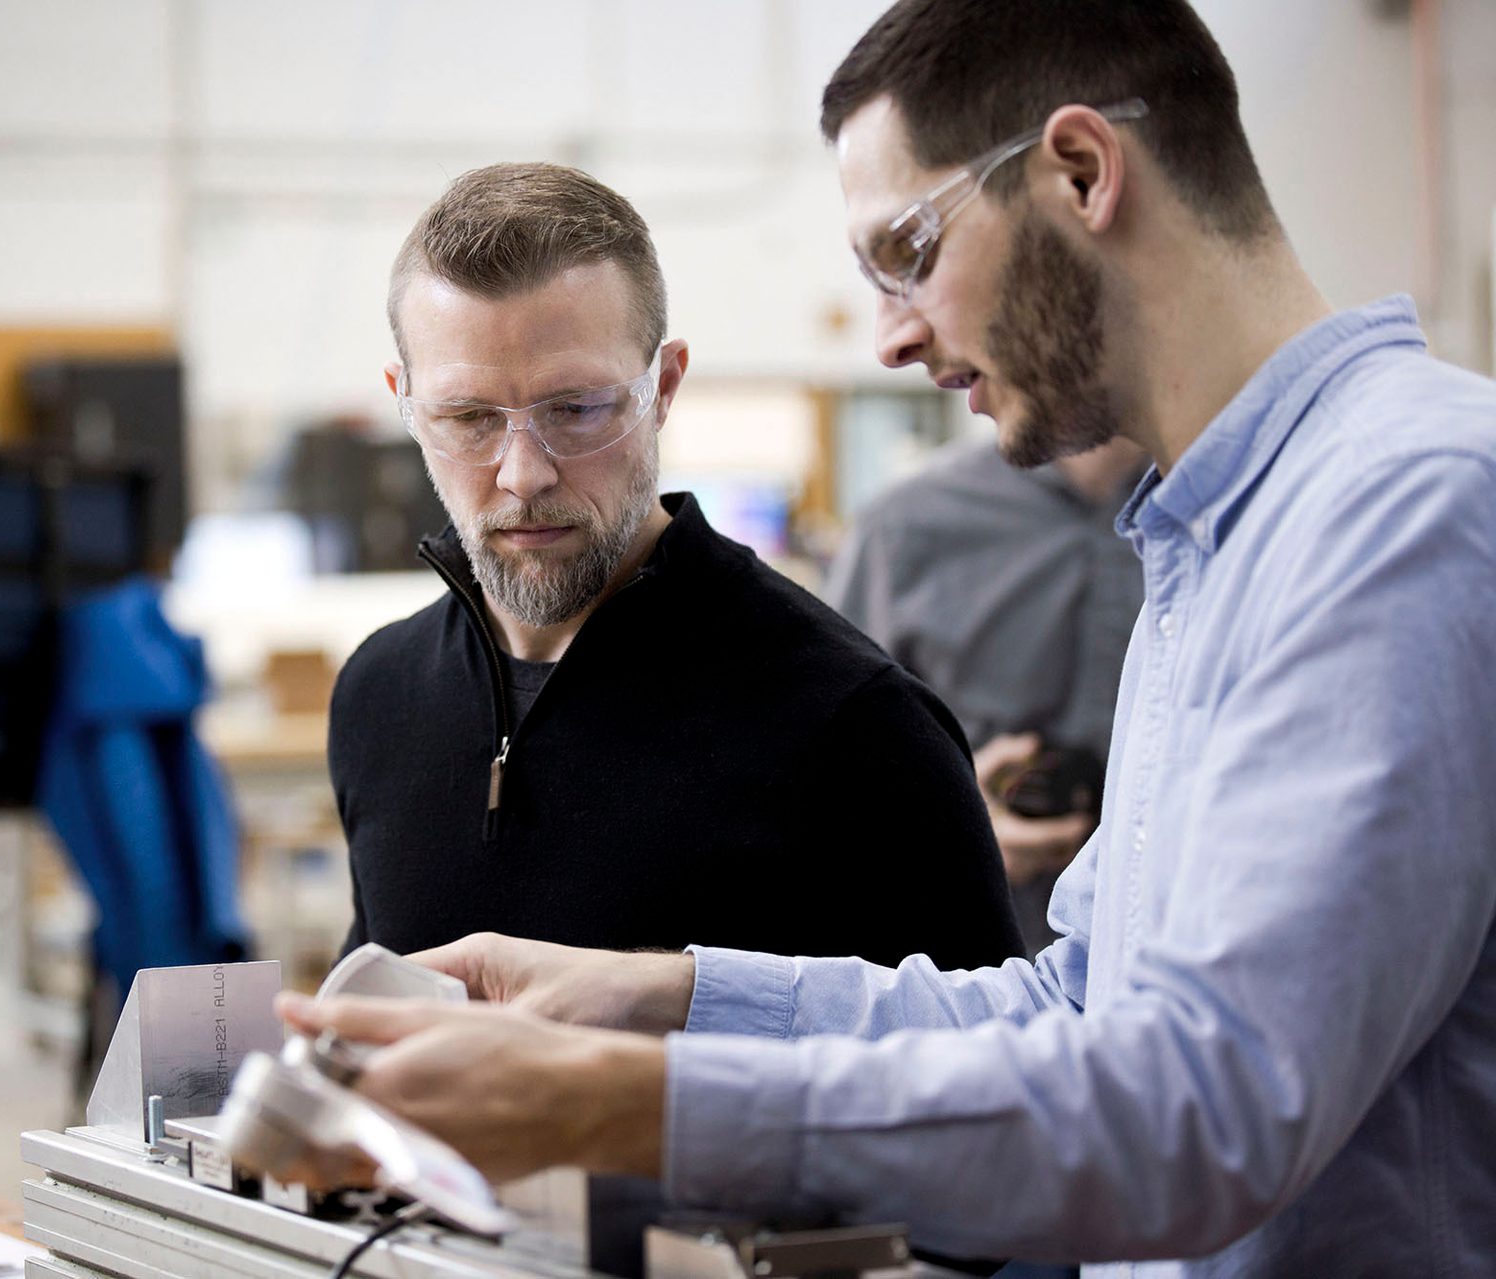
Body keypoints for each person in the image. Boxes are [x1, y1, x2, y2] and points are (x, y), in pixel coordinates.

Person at [278, 3, 1496, 1273]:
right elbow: (1070, 1008)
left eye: (908, 249)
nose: (892, 335)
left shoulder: (1406, 509)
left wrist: (634, 1102)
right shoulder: (1210, 539)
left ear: (1082, 171)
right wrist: (667, 999)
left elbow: (1198, 1110)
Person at [327, 162, 1024, 1274]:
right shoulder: (378, 695)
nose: (522, 474)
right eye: (467, 417)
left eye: (576, 408)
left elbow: (1005, 1149)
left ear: (664, 385)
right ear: (406, 402)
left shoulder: (850, 723)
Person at [827, 436, 1147, 954]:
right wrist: (948, 830)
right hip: (969, 955)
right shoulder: (907, 525)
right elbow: (830, 774)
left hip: (1185, 947)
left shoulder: (1242, 510)